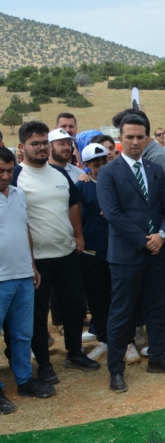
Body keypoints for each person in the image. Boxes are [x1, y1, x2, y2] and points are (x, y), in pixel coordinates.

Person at [97, 114, 165, 393]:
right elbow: (113, 214)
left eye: (139, 137)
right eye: (129, 137)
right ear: (120, 139)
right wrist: (144, 240)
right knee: (121, 311)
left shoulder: (155, 169)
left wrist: (161, 235)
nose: (135, 141)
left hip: (157, 251)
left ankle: (157, 357)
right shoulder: (108, 172)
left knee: (157, 307)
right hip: (126, 254)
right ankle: (116, 369)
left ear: (147, 138)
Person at [12, 121, 99, 384]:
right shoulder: (16, 176)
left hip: (66, 253)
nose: (41, 148)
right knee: (38, 314)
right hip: (36, 260)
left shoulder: (60, 174)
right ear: (22, 147)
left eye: (44, 143)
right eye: (35, 143)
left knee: (75, 306)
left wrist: (79, 235)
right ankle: (44, 363)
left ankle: (75, 353)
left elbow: (73, 205)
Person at [0, 147, 53, 414]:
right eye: (0, 171)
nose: (5, 176)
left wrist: (32, 266)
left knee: (23, 334)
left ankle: (24, 380)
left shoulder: (18, 194)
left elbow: (25, 231)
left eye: (10, 171)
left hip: (23, 276)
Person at [76, 144, 124, 363]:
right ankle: (104, 340)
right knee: (97, 299)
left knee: (120, 297)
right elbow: (76, 215)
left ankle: (124, 340)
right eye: (96, 163)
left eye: (104, 161)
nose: (101, 166)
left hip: (118, 249)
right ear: (87, 165)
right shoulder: (82, 186)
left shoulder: (118, 182)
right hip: (92, 251)